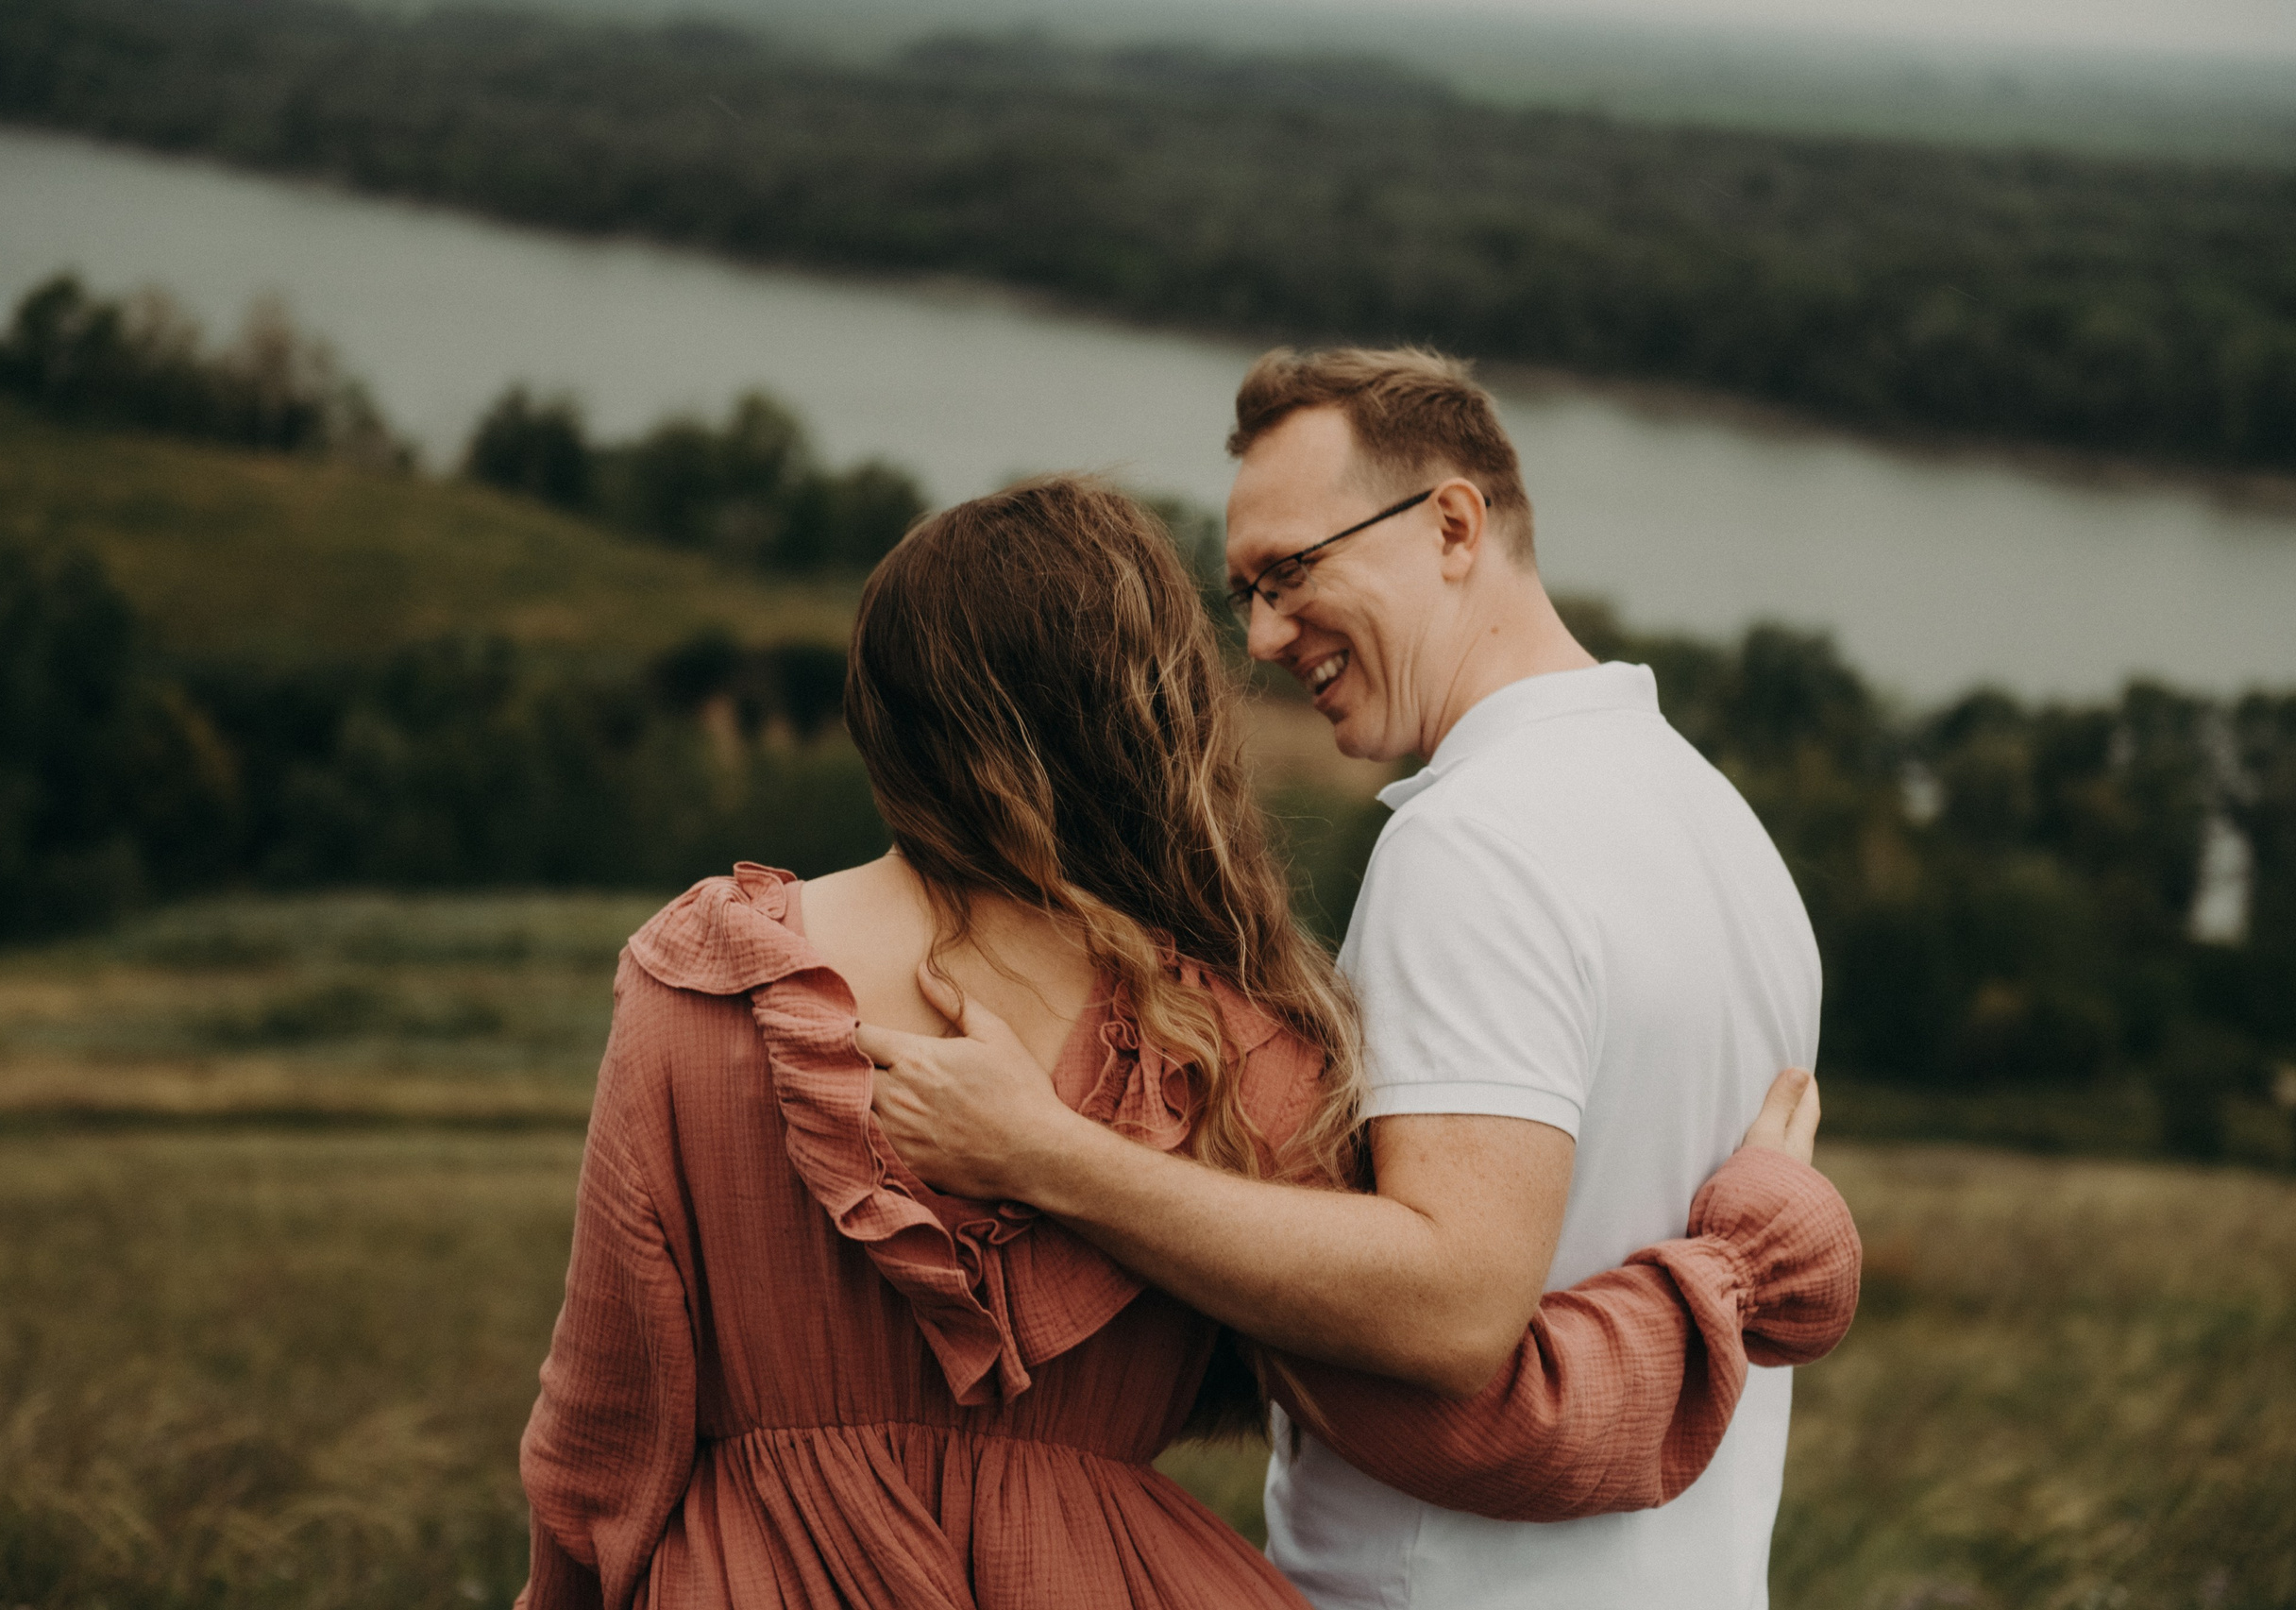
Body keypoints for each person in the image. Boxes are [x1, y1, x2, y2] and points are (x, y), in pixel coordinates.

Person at [519, 477, 1857, 1610]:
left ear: (886, 708)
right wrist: (1737, 1266)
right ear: (1152, 719)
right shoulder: (1228, 1058)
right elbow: (1483, 1429)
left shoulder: (698, 996)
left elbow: (597, 1446)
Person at [862, 352, 1835, 1608]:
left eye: (1292, 572)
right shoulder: (1720, 826)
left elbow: (1448, 1304)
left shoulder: (1474, 843)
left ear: (1451, 523)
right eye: (1245, 594)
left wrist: (1046, 1155)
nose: (1263, 636)